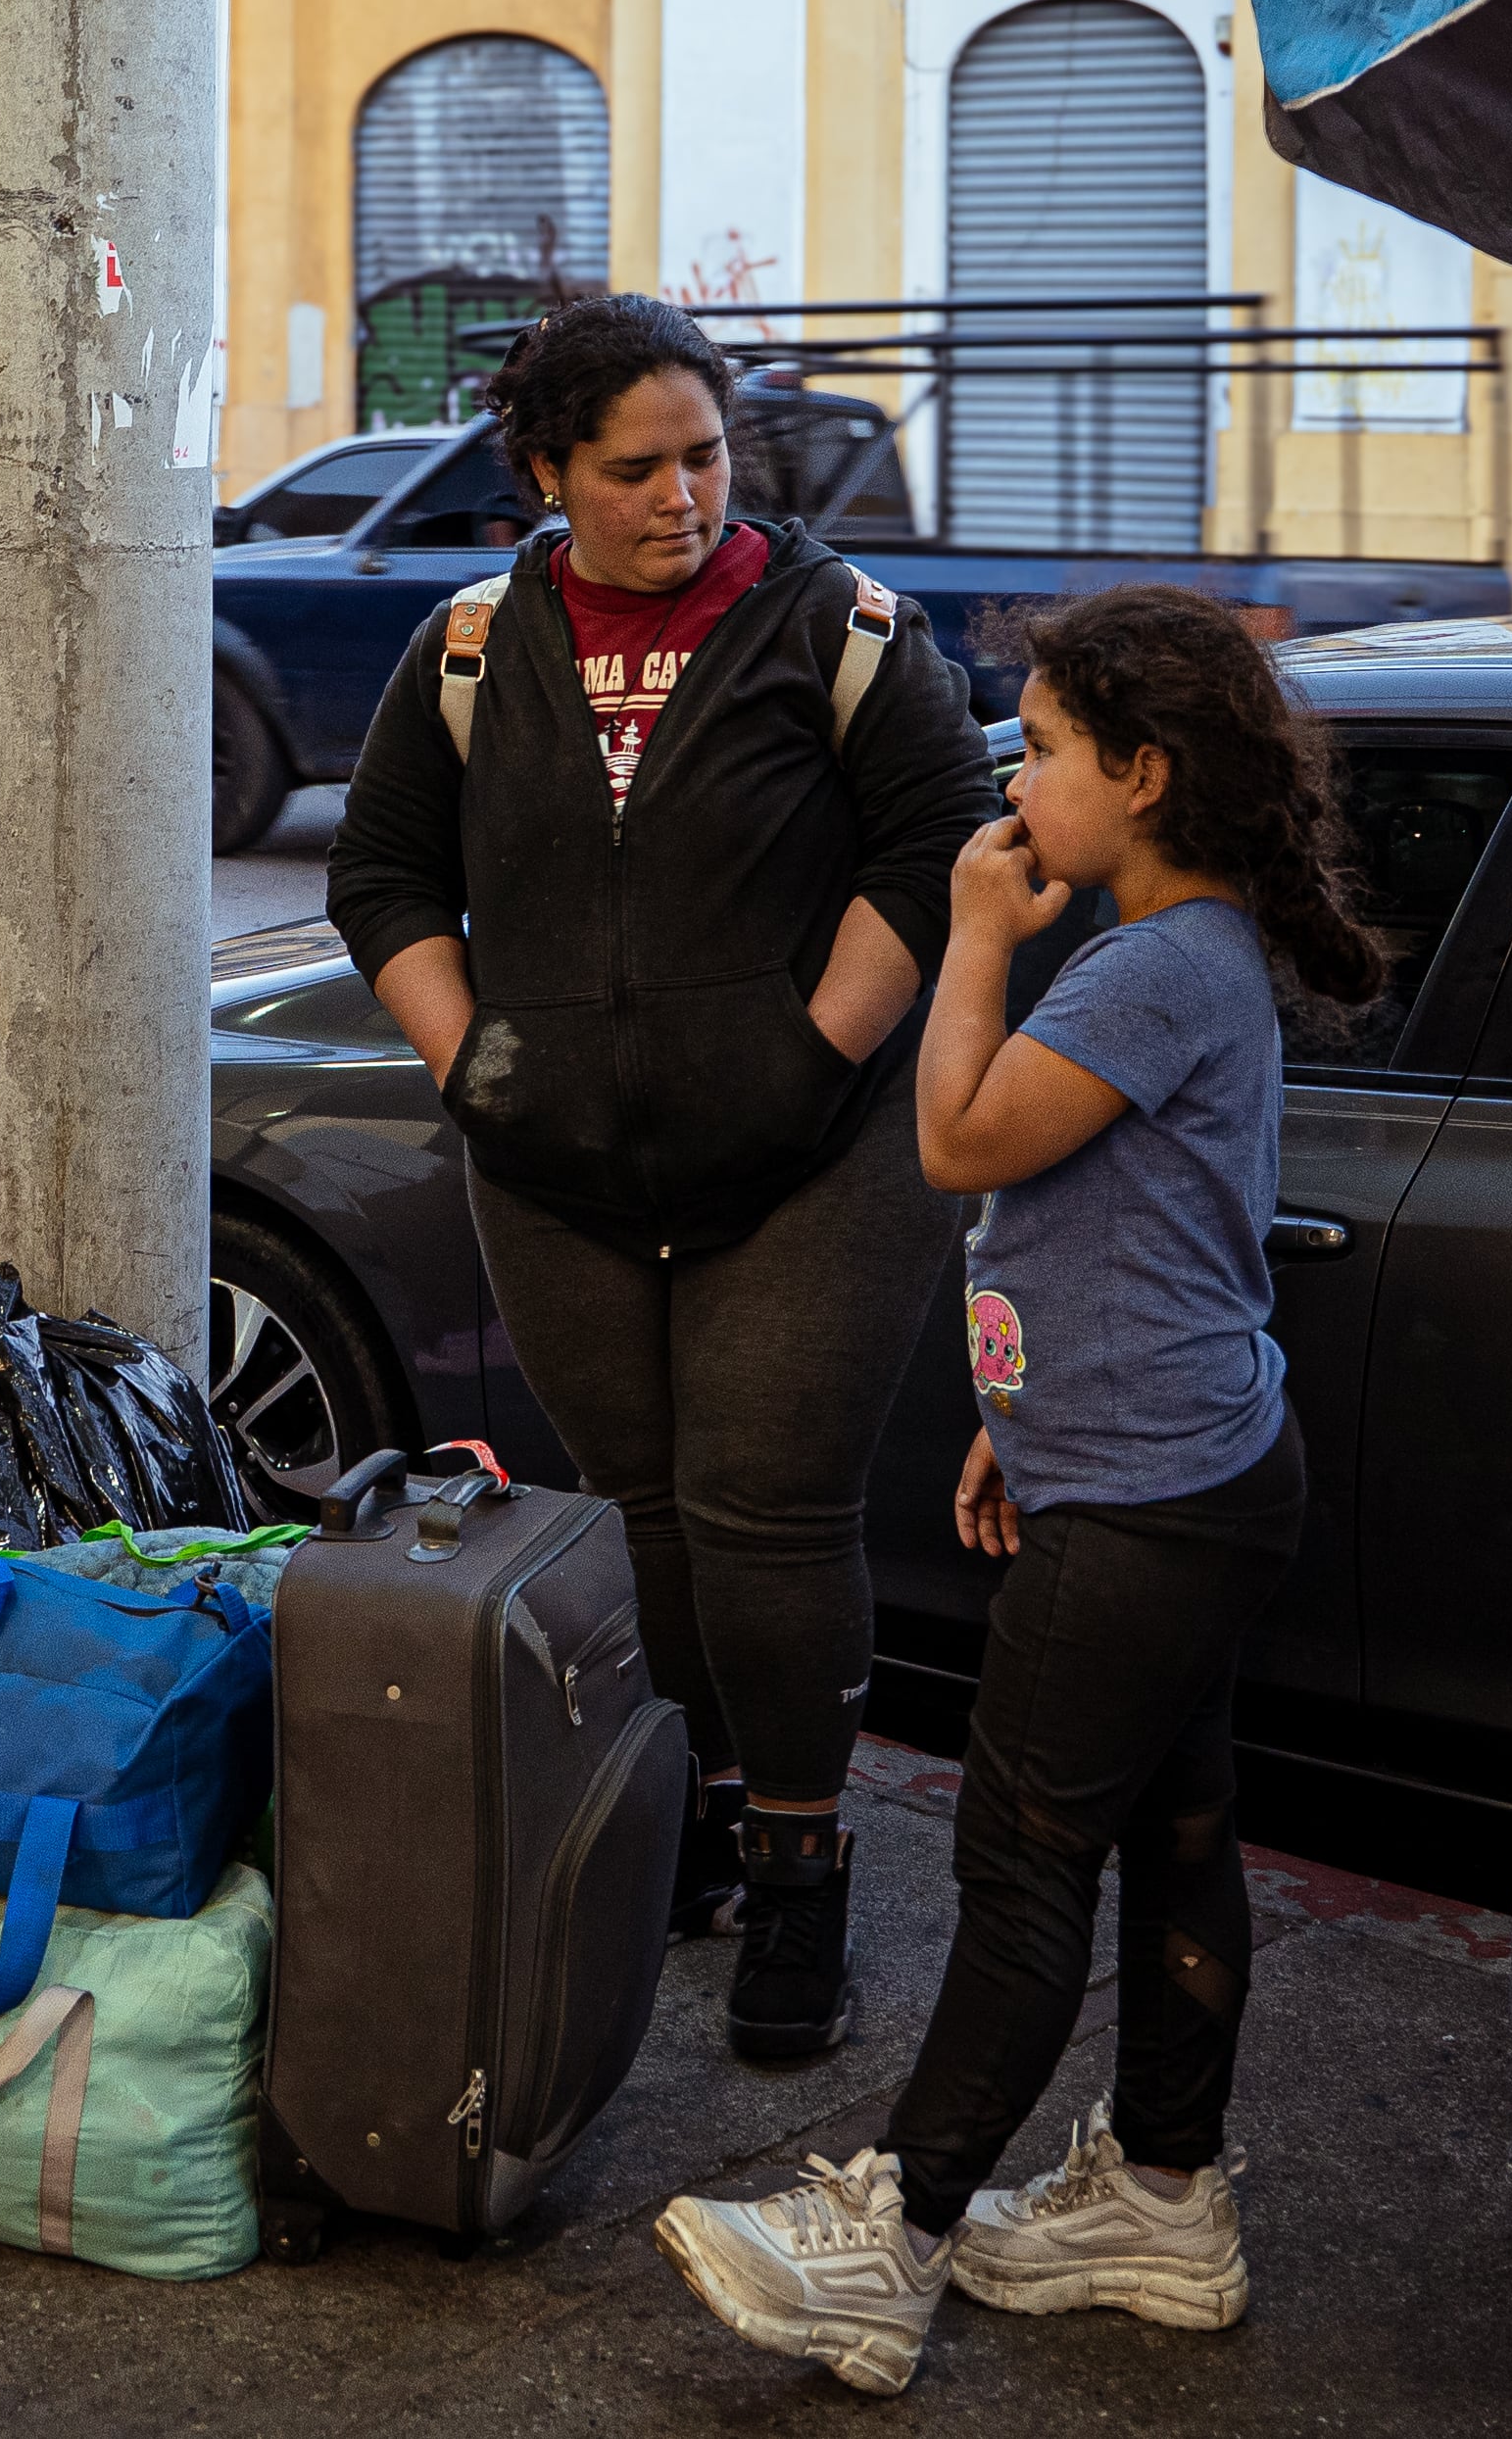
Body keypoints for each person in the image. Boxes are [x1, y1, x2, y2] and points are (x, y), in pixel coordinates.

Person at [653, 585, 1379, 2397]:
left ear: (1143, 776)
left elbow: (962, 1139)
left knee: (1025, 1855)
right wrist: (1018, 1408)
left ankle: (883, 2243)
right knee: (1179, 1828)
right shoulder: (1185, 955)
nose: (1012, 778)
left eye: (1040, 749)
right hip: (1176, 1461)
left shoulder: (1150, 965)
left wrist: (971, 932)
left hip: (1150, 1503)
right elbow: (1116, 1233)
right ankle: (1161, 2195)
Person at [325, 294, 996, 2058]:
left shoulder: (842, 628)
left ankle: (802, 1863)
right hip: (557, 1170)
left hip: (816, 1164)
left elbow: (937, 851)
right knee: (646, 1510)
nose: (681, 497)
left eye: (704, 457)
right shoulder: (472, 646)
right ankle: (697, 1801)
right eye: (633, 472)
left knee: (771, 1511)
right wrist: (472, 1056)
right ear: (545, 475)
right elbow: (384, 873)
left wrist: (811, 1054)